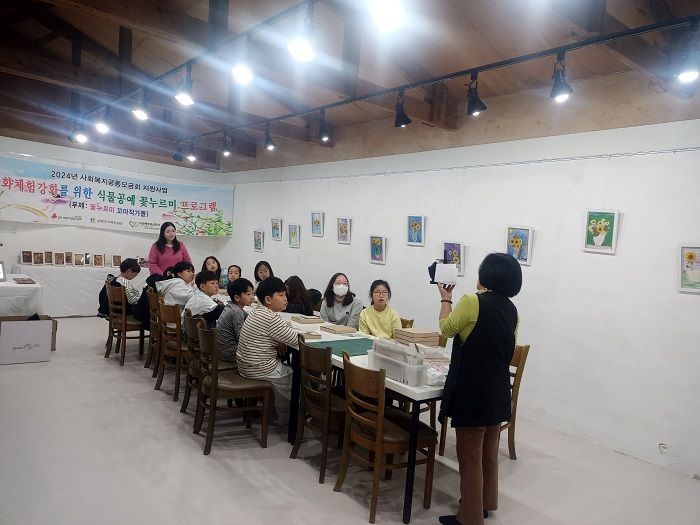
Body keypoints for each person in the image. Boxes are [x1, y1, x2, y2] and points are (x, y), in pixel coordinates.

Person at [436, 253, 521, 525]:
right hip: (498, 391)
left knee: (469, 455)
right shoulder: (512, 311)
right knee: (488, 452)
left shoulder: (472, 301)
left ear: (487, 276)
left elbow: (446, 329)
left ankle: (469, 517)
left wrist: (446, 299)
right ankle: (486, 503)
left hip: (473, 391)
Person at [236, 277, 299, 424]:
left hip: (245, 365)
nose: (285, 299)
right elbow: (296, 339)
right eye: (281, 295)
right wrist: (286, 333)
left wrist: (283, 334)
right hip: (258, 368)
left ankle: (284, 414)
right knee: (293, 377)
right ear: (268, 299)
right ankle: (288, 418)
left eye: (285, 295)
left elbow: (281, 333)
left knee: (286, 372)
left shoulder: (258, 311)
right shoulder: (270, 318)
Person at [217, 278, 254, 363]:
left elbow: (250, 318)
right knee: (265, 351)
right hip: (229, 352)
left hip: (222, 349)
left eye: (253, 293)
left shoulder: (231, 306)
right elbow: (242, 338)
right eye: (248, 294)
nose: (252, 297)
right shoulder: (237, 312)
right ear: (237, 297)